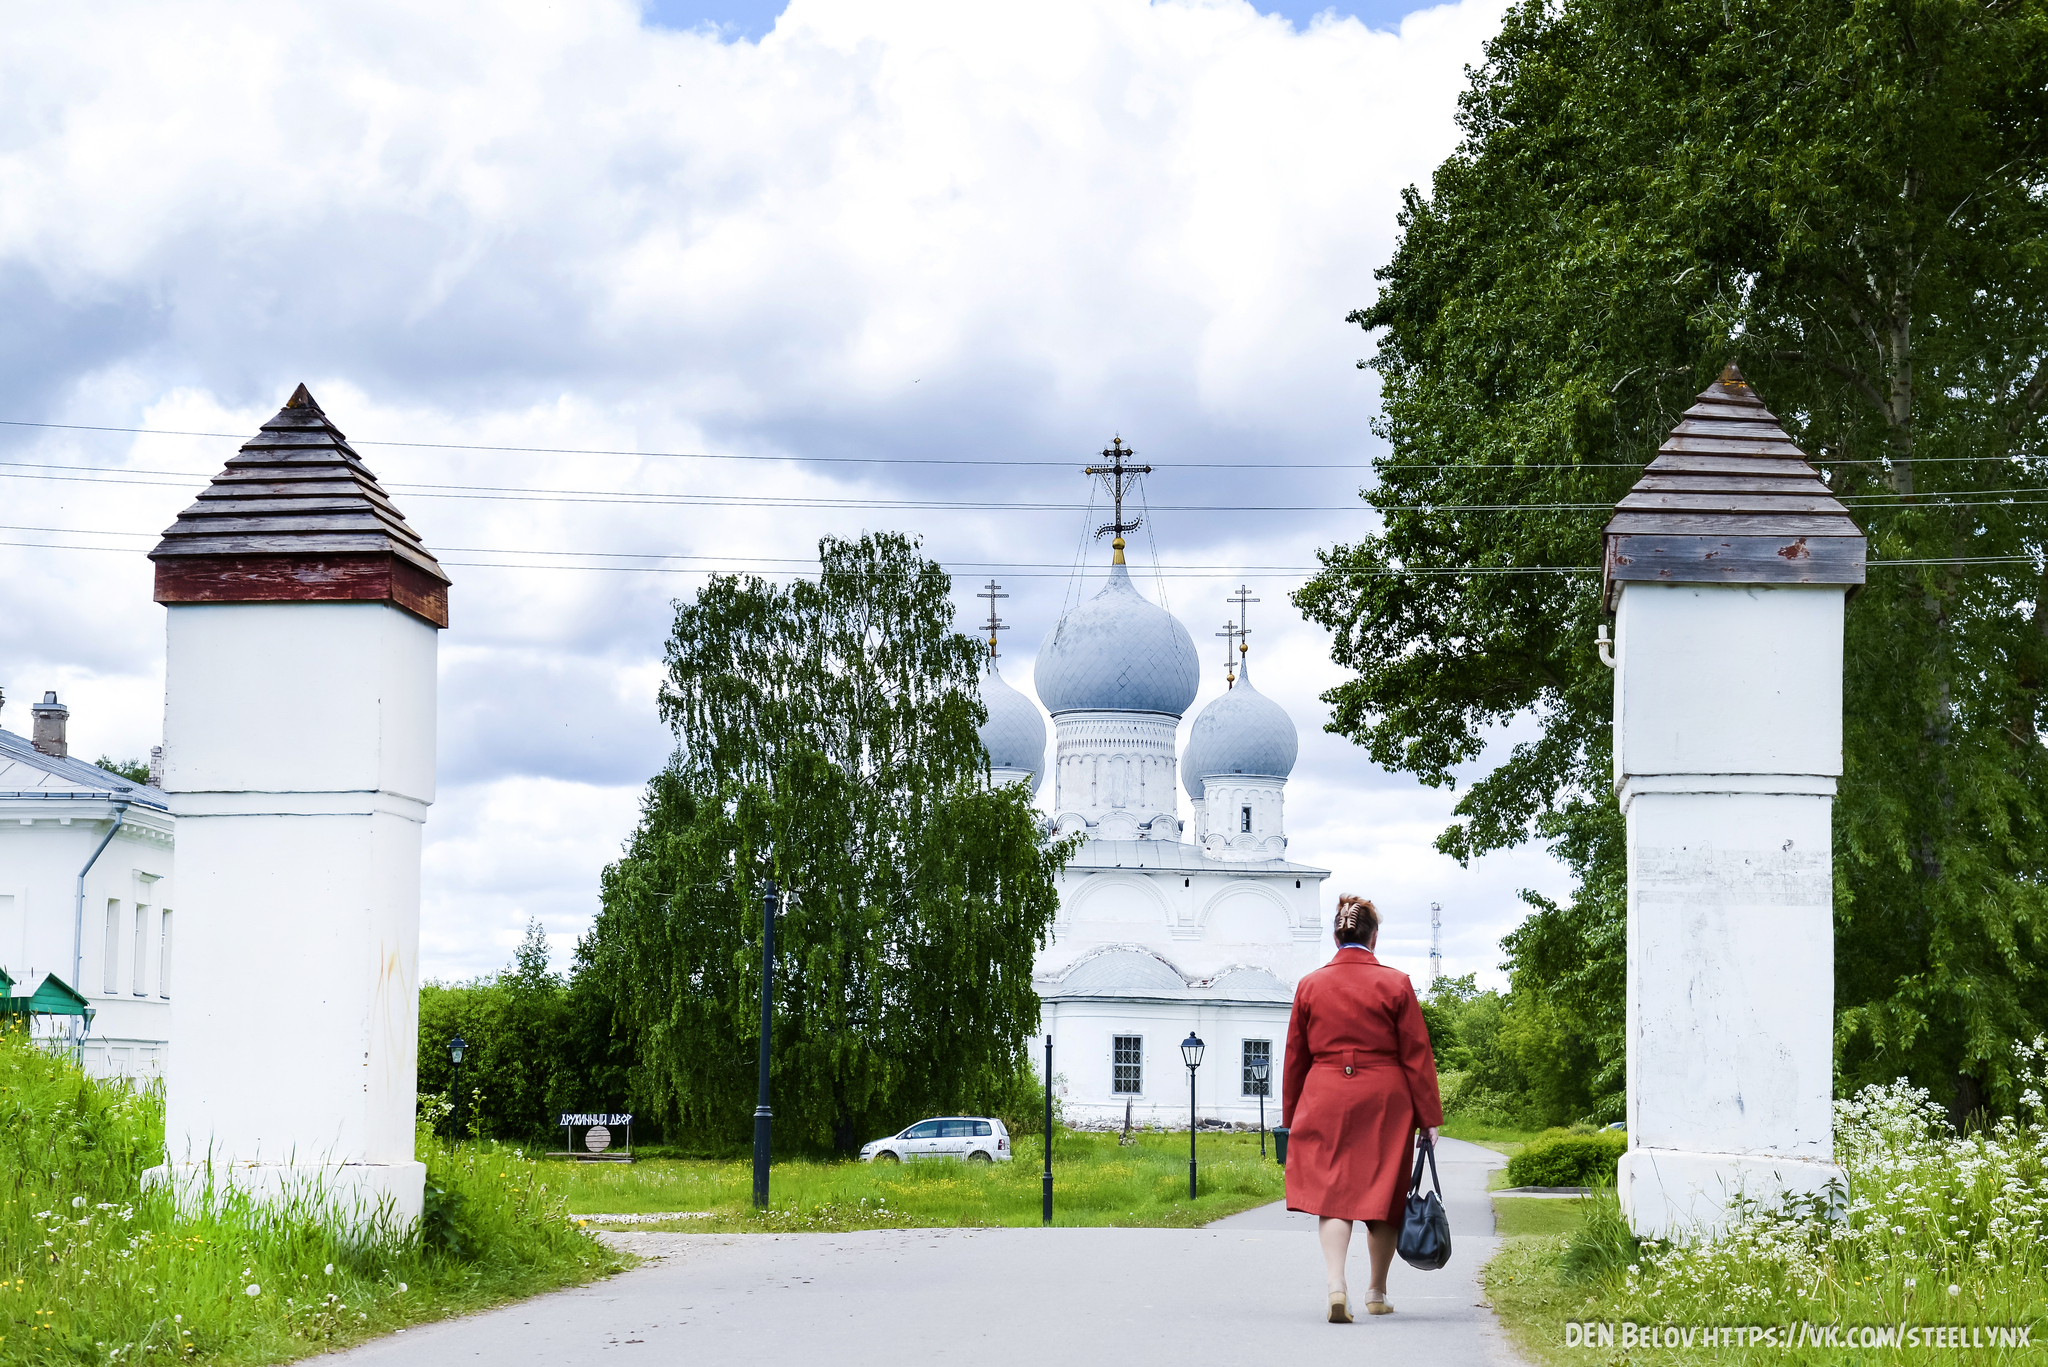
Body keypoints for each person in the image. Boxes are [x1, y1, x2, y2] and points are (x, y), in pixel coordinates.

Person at [1280, 894, 1444, 1323]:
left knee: (1332, 1195)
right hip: (1385, 1098)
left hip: (1324, 1092)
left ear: (1337, 935)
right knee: (1383, 1194)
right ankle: (1376, 1291)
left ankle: (1337, 1285)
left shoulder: (1310, 985)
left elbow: (1295, 1057)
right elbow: (1416, 1055)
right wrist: (1428, 1117)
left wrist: (1291, 1117)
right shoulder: (1396, 983)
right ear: (1373, 935)